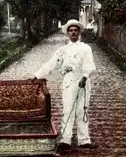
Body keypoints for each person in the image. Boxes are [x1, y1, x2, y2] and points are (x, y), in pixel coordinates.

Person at [31, 19, 97, 150]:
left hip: (83, 80)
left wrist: (85, 76)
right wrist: (37, 75)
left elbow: (89, 65)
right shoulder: (62, 50)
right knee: (68, 110)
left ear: (79, 33)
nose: (73, 33)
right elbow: (51, 64)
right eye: (70, 31)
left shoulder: (86, 48)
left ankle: (84, 140)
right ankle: (65, 139)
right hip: (69, 80)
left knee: (82, 110)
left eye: (75, 30)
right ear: (67, 33)